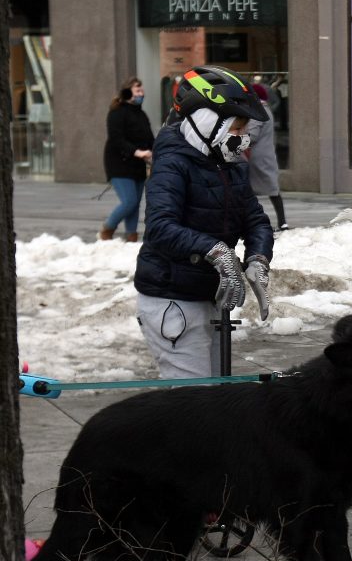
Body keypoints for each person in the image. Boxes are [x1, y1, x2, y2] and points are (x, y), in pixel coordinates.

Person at [135, 66, 274, 380]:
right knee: (193, 403)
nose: (242, 138)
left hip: (210, 296)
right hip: (173, 298)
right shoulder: (173, 162)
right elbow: (160, 227)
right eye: (236, 129)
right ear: (209, 122)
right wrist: (217, 251)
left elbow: (256, 220)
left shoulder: (230, 165)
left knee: (214, 399)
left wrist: (258, 257)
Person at [101, 77, 153, 241]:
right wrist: (136, 152)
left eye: (142, 90)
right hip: (119, 164)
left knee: (136, 203)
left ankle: (131, 236)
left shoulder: (141, 114)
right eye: (138, 91)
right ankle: (107, 229)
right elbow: (117, 139)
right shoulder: (116, 112)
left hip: (137, 165)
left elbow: (149, 138)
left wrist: (155, 152)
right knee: (129, 201)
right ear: (127, 92)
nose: (141, 93)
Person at [247, 83, 290, 231]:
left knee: (248, 192)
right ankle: (282, 222)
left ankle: (250, 224)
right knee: (272, 190)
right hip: (266, 155)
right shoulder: (267, 110)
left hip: (255, 158)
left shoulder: (257, 112)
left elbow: (251, 135)